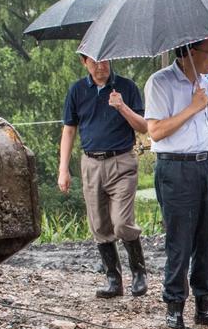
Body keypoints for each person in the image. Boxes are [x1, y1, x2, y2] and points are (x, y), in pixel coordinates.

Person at [144, 38, 208, 329]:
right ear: (191, 52)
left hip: (203, 164)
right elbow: (155, 131)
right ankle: (174, 305)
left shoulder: (204, 82)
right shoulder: (161, 82)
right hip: (175, 166)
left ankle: (206, 306)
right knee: (180, 241)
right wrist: (193, 107)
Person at [59, 55, 148, 299]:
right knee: (99, 224)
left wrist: (121, 107)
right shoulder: (77, 90)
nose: (101, 67)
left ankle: (139, 272)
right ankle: (113, 278)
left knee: (121, 222)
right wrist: (63, 169)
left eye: (105, 61)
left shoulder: (127, 87)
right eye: (94, 62)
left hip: (122, 161)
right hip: (91, 162)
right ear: (84, 63)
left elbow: (143, 126)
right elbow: (69, 130)